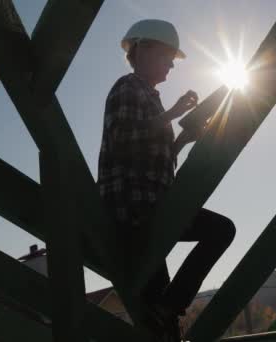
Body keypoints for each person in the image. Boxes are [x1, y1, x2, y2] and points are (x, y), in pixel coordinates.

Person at [97, 19, 236, 338]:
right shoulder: (127, 86)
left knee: (160, 319)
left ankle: (167, 310)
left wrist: (180, 142)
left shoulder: (149, 96)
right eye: (167, 56)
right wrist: (172, 115)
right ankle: (169, 308)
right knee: (220, 230)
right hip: (136, 209)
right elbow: (123, 139)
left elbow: (150, 157)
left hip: (150, 206)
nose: (172, 65)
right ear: (142, 49)